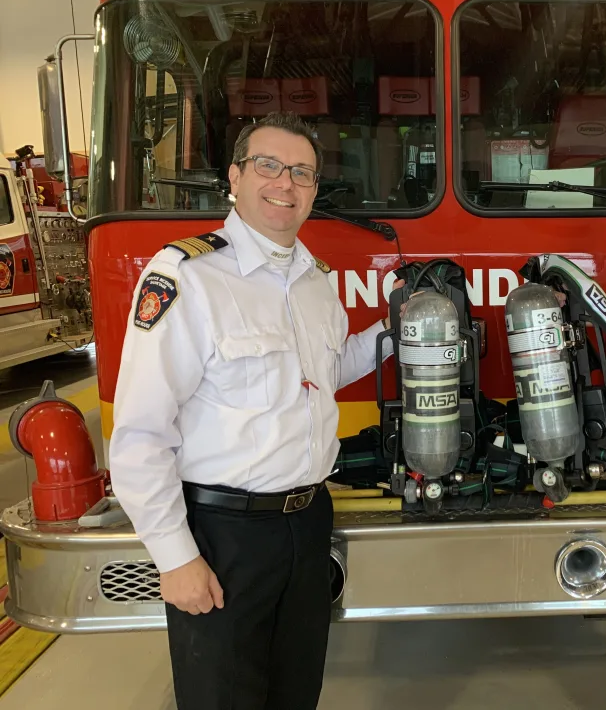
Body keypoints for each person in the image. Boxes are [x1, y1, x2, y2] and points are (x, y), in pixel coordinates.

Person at [109, 111, 396, 710]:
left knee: (296, 692)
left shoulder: (314, 280)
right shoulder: (188, 278)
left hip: (309, 520)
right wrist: (175, 556)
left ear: (314, 191)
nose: (284, 185)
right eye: (268, 166)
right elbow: (140, 432)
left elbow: (325, 372)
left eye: (302, 173)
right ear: (234, 178)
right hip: (223, 534)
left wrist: (399, 326)